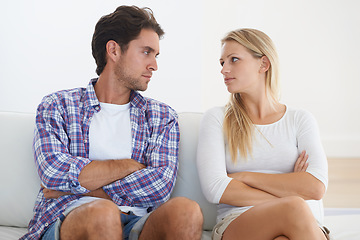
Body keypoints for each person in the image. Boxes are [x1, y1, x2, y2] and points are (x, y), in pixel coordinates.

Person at [21, 5, 203, 240]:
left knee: (186, 211)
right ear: (114, 50)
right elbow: (54, 172)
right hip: (69, 220)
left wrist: (90, 186)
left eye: (155, 56)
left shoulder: (161, 116)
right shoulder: (58, 105)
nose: (154, 65)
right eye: (146, 52)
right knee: (103, 214)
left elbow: (160, 186)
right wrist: (129, 166)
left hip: (138, 222)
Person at [196, 28, 330, 240]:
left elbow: (315, 187)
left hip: (303, 224)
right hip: (238, 222)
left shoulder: (300, 119)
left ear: (263, 64)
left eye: (234, 60)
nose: (224, 69)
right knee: (294, 207)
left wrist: (244, 177)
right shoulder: (216, 118)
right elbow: (216, 189)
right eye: (222, 62)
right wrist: (291, 188)